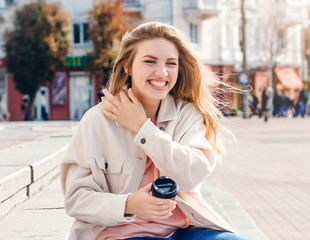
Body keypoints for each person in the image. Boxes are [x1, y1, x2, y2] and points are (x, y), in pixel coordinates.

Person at [60, 22, 250, 240]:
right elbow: (76, 200)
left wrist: (143, 129)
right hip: (119, 235)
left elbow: (191, 176)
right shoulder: (97, 121)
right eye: (150, 61)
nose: (162, 72)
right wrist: (130, 204)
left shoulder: (186, 114)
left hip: (182, 233)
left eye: (171, 63)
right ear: (127, 66)